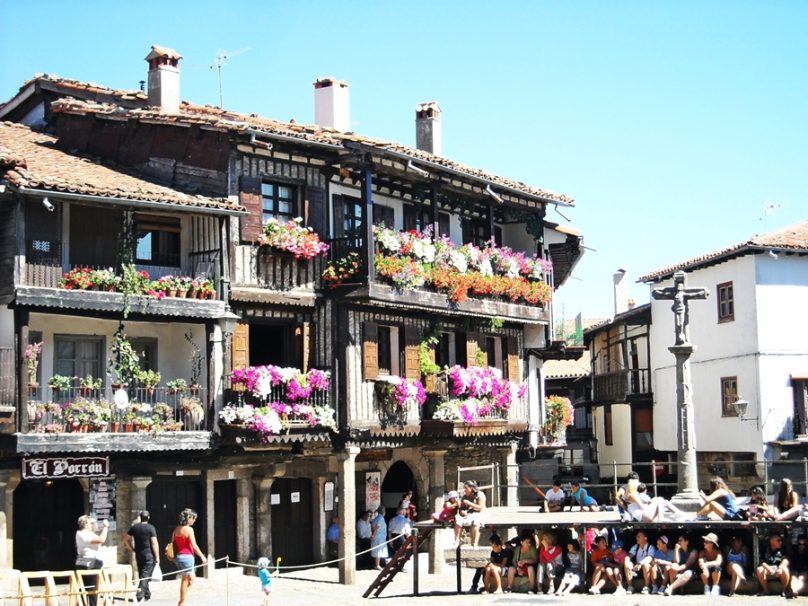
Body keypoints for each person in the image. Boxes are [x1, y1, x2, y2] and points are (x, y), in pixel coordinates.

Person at [171, 508, 208, 606]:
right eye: (193, 518)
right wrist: (202, 557)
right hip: (187, 557)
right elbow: (194, 545)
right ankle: (182, 602)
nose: (194, 520)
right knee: (187, 580)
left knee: (188, 579)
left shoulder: (176, 529)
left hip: (179, 557)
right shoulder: (189, 529)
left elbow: (173, 543)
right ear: (189, 518)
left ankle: (182, 600)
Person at [124, 510, 160, 603]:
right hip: (148, 554)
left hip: (139, 553)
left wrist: (131, 548)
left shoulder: (135, 528)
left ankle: (147, 594)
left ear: (140, 517)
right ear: (148, 517)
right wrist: (157, 557)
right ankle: (139, 595)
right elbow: (154, 543)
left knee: (143, 574)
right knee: (145, 574)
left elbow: (125, 539)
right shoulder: (151, 528)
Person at [75, 514, 108, 606]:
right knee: (91, 588)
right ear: (85, 524)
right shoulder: (83, 534)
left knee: (86, 588)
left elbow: (94, 532)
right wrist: (105, 527)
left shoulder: (87, 534)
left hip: (87, 561)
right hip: (90, 562)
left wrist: (95, 524)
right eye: (90, 523)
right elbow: (101, 539)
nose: (92, 525)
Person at [756, 532, 791, 597]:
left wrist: (781, 567)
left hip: (779, 569)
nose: (780, 542)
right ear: (772, 541)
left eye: (781, 540)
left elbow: (785, 560)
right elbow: (761, 561)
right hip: (768, 569)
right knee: (759, 569)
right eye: (778, 540)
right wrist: (768, 568)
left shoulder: (782, 548)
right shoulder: (765, 548)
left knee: (785, 570)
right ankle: (766, 590)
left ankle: (784, 591)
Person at [454, 480, 486, 547]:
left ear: (471, 488)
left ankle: (474, 543)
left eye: (466, 488)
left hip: (479, 513)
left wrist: (469, 503)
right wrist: (462, 512)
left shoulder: (480, 494)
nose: (464, 490)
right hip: (469, 514)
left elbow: (480, 508)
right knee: (458, 522)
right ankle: (456, 541)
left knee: (475, 523)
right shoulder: (465, 496)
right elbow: (461, 508)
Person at [623, 530, 655, 594]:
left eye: (638, 537)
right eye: (636, 537)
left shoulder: (650, 547)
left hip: (646, 570)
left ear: (645, 538)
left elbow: (650, 558)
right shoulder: (636, 546)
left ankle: (646, 587)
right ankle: (630, 586)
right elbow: (629, 555)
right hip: (636, 569)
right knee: (627, 563)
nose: (636, 538)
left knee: (646, 565)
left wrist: (640, 563)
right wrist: (627, 560)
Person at [698, 532, 723, 596]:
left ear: (712, 544)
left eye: (706, 542)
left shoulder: (717, 551)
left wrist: (706, 564)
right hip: (706, 571)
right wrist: (704, 568)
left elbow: (718, 562)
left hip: (714, 571)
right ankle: (706, 587)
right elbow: (700, 562)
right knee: (700, 569)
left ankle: (715, 587)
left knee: (717, 568)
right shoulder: (702, 552)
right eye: (704, 541)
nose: (704, 543)